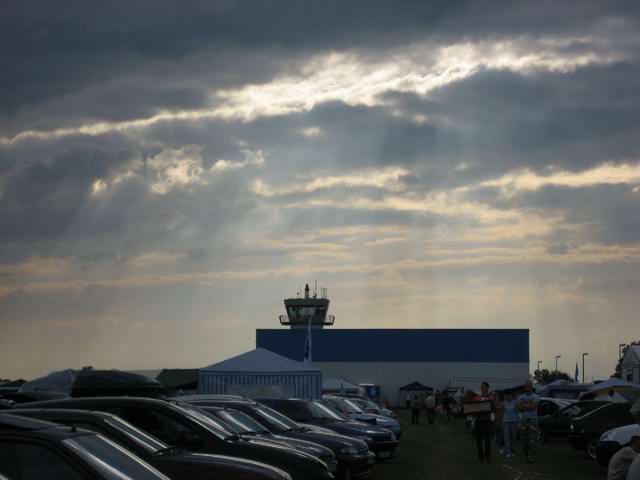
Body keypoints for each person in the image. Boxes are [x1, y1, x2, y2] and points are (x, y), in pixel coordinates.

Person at [517, 380, 540, 463]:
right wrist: (528, 405)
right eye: (526, 386)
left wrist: (523, 405)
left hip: (533, 420)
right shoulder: (520, 397)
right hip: (524, 420)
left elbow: (534, 407)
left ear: (531, 387)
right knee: (524, 439)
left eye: (529, 386)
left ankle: (530, 456)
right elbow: (518, 408)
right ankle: (526, 454)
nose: (528, 387)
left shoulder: (536, 396)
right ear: (524, 387)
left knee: (532, 439)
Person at [472, 381, 496, 463]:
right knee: (478, 440)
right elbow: (472, 408)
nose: (482, 389)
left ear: (487, 388)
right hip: (478, 421)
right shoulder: (477, 397)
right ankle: (480, 457)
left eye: (484, 387)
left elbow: (494, 407)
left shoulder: (492, 397)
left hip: (487, 421)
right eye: (481, 387)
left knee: (487, 440)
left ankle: (487, 456)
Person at [502, 391, 519, 458]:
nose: (509, 397)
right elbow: (502, 412)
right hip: (506, 421)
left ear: (512, 396)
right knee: (507, 438)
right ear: (506, 396)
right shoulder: (504, 403)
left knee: (514, 437)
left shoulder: (515, 402)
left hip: (513, 421)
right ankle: (508, 453)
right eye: (508, 395)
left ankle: (512, 450)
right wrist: (501, 421)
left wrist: (518, 421)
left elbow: (517, 411)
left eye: (510, 395)